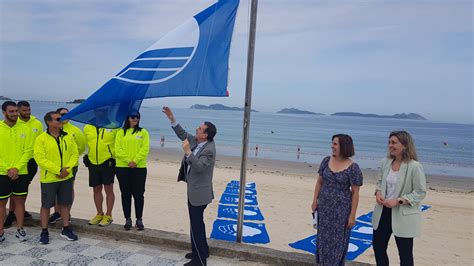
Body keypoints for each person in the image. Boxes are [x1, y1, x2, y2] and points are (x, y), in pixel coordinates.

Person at [162, 106, 216, 266]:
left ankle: (200, 260)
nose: (197, 129)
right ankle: (201, 251)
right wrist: (172, 119)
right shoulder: (198, 141)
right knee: (197, 223)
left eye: (200, 129)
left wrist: (188, 153)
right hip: (194, 190)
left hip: (200, 193)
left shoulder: (209, 150)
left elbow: (199, 167)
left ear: (205, 135)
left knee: (196, 225)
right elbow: (182, 134)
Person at [372, 131, 427, 266]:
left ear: (405, 145)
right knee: (378, 248)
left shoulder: (415, 166)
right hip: (382, 213)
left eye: (394, 142)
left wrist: (398, 200)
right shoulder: (385, 162)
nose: (390, 145)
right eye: (389, 142)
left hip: (403, 215)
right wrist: (378, 193)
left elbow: (420, 192)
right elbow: (379, 183)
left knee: (405, 254)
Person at [311, 134, 363, 265]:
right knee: (323, 238)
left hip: (341, 210)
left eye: (335, 144)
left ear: (343, 146)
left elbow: (355, 193)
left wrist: (352, 216)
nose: (332, 146)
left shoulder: (353, 167)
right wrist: (314, 200)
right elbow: (319, 182)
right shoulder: (326, 161)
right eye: (332, 143)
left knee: (338, 241)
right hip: (324, 207)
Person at [34, 111, 79, 244]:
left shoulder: (68, 136)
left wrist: (67, 169)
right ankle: (44, 231)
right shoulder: (41, 138)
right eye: (58, 119)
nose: (61, 121)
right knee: (46, 205)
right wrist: (57, 170)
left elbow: (74, 154)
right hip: (49, 178)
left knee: (65, 203)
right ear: (49, 122)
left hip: (66, 177)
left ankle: (66, 228)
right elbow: (40, 158)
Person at [4, 100, 43, 227]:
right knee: (10, 190)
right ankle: (11, 213)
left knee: (23, 188)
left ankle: (20, 210)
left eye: (29, 110)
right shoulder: (15, 124)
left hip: (31, 161)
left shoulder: (37, 123)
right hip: (13, 163)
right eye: (24, 110)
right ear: (19, 111)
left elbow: (41, 141)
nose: (27, 112)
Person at [0, 101, 33, 242]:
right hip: (2, 172)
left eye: (16, 111)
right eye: (11, 111)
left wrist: (17, 168)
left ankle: (20, 229)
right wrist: (8, 168)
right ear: (4, 112)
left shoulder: (25, 129)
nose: (15, 114)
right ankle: (0, 231)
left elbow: (28, 151)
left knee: (20, 201)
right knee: (1, 203)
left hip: (21, 172)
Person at [48, 107, 86, 224]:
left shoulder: (75, 130)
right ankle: (57, 212)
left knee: (68, 190)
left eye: (68, 114)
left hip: (70, 166)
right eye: (63, 114)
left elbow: (81, 147)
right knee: (55, 189)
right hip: (54, 166)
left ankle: (66, 213)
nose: (66, 116)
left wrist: (69, 161)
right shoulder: (53, 129)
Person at [115, 112, 150, 231]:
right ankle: (127, 219)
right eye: (133, 117)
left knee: (139, 194)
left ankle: (139, 219)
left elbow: (145, 149)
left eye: (138, 117)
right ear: (128, 118)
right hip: (122, 167)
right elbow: (117, 149)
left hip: (139, 168)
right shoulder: (120, 132)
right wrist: (128, 161)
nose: (135, 119)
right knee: (126, 194)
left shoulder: (143, 132)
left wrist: (135, 161)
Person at [83, 109, 118, 227]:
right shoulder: (88, 127)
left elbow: (118, 144)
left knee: (109, 189)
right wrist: (86, 156)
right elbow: (85, 143)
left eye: (103, 111)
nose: (101, 113)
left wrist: (115, 159)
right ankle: (99, 213)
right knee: (96, 189)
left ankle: (108, 215)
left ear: (107, 112)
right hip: (93, 161)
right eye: (98, 111)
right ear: (95, 112)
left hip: (107, 161)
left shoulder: (114, 126)